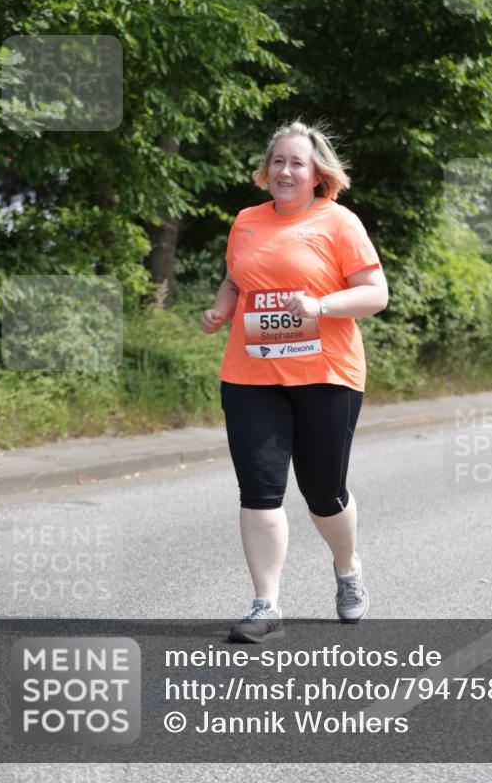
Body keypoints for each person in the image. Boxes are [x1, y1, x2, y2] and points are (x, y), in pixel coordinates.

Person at [199, 120, 389, 643]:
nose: (285, 171)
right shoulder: (246, 221)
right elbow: (235, 279)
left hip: (326, 373)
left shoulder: (339, 222)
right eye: (278, 161)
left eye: (296, 163)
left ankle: (347, 568)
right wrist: (220, 310)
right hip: (251, 374)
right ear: (267, 169)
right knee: (259, 489)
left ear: (316, 173)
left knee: (323, 491)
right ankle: (266, 605)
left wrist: (319, 306)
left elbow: (376, 294)